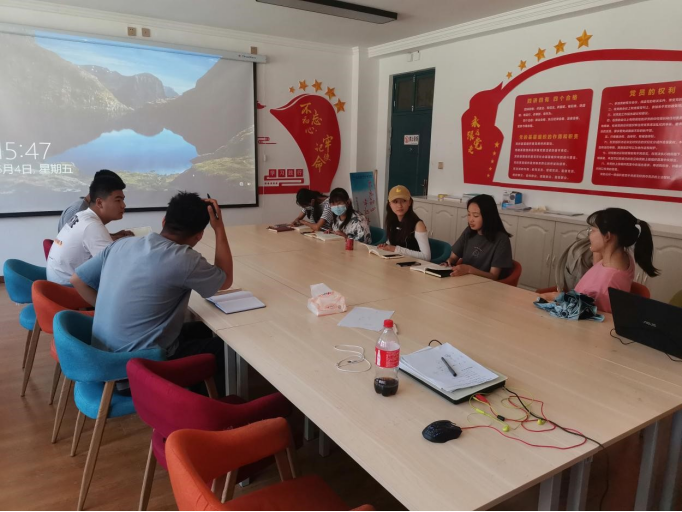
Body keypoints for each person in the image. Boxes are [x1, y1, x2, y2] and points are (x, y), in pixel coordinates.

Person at [70, 192, 233, 395]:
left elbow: (77, 280)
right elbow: (225, 279)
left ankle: (190, 390)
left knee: (202, 330)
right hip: (137, 371)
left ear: (163, 221)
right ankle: (196, 404)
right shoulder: (185, 259)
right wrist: (219, 228)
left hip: (101, 362)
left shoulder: (121, 244)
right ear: (199, 235)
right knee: (228, 349)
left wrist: (106, 304)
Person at [543, 208, 659, 313]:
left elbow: (586, 319)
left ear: (607, 236)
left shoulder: (604, 287)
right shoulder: (622, 258)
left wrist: (556, 297)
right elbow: (598, 268)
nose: (589, 235)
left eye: (593, 231)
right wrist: (599, 246)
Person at [47, 177, 128, 286]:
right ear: (99, 202)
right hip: (67, 288)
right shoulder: (91, 225)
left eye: (123, 200)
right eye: (118, 200)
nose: (123, 205)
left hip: (58, 280)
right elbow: (116, 268)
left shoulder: (82, 215)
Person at [442, 194, 514, 280]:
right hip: (464, 281)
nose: (470, 219)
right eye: (469, 214)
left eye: (475, 216)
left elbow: (493, 276)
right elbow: (453, 258)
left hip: (486, 285)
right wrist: (448, 262)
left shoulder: (501, 239)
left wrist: (469, 270)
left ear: (488, 217)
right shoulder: (468, 232)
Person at [58, 170, 131, 238]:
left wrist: (115, 236)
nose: (123, 205)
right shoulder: (78, 211)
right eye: (118, 200)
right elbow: (73, 241)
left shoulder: (91, 212)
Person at [378, 186, 431, 261]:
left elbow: (426, 257)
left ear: (410, 202)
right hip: (395, 261)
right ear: (390, 204)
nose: (399, 205)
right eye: (395, 201)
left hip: (413, 264)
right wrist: (386, 246)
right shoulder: (392, 220)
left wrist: (395, 249)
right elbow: (393, 242)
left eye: (404, 201)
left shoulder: (418, 225)